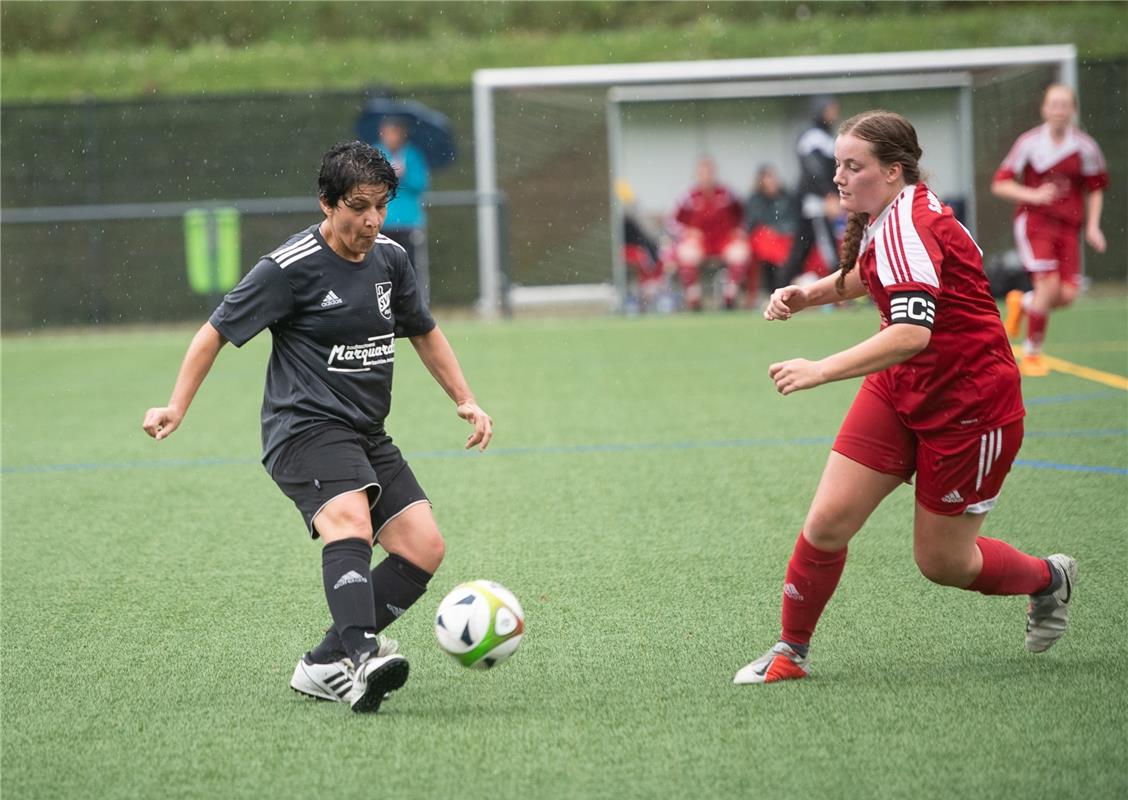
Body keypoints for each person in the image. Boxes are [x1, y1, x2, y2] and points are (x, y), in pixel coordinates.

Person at [142, 141, 493, 712]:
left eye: (380, 205)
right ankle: (361, 656)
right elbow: (214, 332)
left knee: (423, 547)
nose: (371, 220)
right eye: (359, 206)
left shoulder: (390, 259)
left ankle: (322, 662)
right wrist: (176, 406)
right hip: (302, 430)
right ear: (327, 203)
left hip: (365, 432)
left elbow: (424, 331)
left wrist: (466, 399)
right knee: (349, 519)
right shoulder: (288, 268)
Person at [734, 111, 1076, 686]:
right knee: (826, 522)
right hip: (901, 387)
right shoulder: (890, 212)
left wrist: (820, 369)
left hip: (969, 408)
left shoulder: (910, 226)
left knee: (942, 562)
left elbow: (912, 332)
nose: (838, 177)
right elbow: (874, 273)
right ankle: (790, 651)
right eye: (838, 164)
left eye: (853, 166)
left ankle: (1048, 578)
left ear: (893, 171)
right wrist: (806, 295)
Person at [992, 83, 1109, 377]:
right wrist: (1033, 195)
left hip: (1068, 227)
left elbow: (1095, 189)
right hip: (1035, 224)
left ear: (1073, 110)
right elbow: (1000, 183)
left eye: (1064, 105)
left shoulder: (1085, 147)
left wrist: (1093, 226)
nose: (1058, 111)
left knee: (1068, 295)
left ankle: (1024, 302)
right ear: (1044, 109)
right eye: (1053, 105)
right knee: (1049, 287)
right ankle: (1032, 354)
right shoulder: (1029, 143)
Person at [669, 156, 749, 310]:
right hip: (700, 242)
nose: (706, 177)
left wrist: (740, 230)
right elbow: (672, 221)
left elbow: (743, 216)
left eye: (709, 173)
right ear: (697, 175)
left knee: (740, 252)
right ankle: (694, 298)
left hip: (723, 240)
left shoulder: (727, 193)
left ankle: (729, 297)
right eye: (703, 173)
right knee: (686, 253)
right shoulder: (688, 196)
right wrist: (686, 232)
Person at [780, 96, 841, 287]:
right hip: (815, 201)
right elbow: (813, 169)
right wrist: (828, 194)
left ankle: (781, 285)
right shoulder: (813, 136)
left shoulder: (826, 134)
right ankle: (842, 288)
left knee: (802, 248)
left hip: (819, 199)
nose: (834, 112)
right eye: (830, 108)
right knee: (828, 245)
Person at [376, 118, 432, 302]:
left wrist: (405, 174)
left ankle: (416, 304)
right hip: (383, 222)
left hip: (408, 222)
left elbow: (421, 185)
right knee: (380, 268)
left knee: (412, 266)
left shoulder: (413, 155)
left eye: (394, 132)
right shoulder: (374, 154)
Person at [745, 164, 798, 300]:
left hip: (785, 240)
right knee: (765, 238)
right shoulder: (755, 200)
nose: (772, 180)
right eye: (768, 177)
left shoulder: (787, 197)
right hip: (766, 244)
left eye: (773, 176)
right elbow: (753, 223)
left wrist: (782, 231)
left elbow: (795, 220)